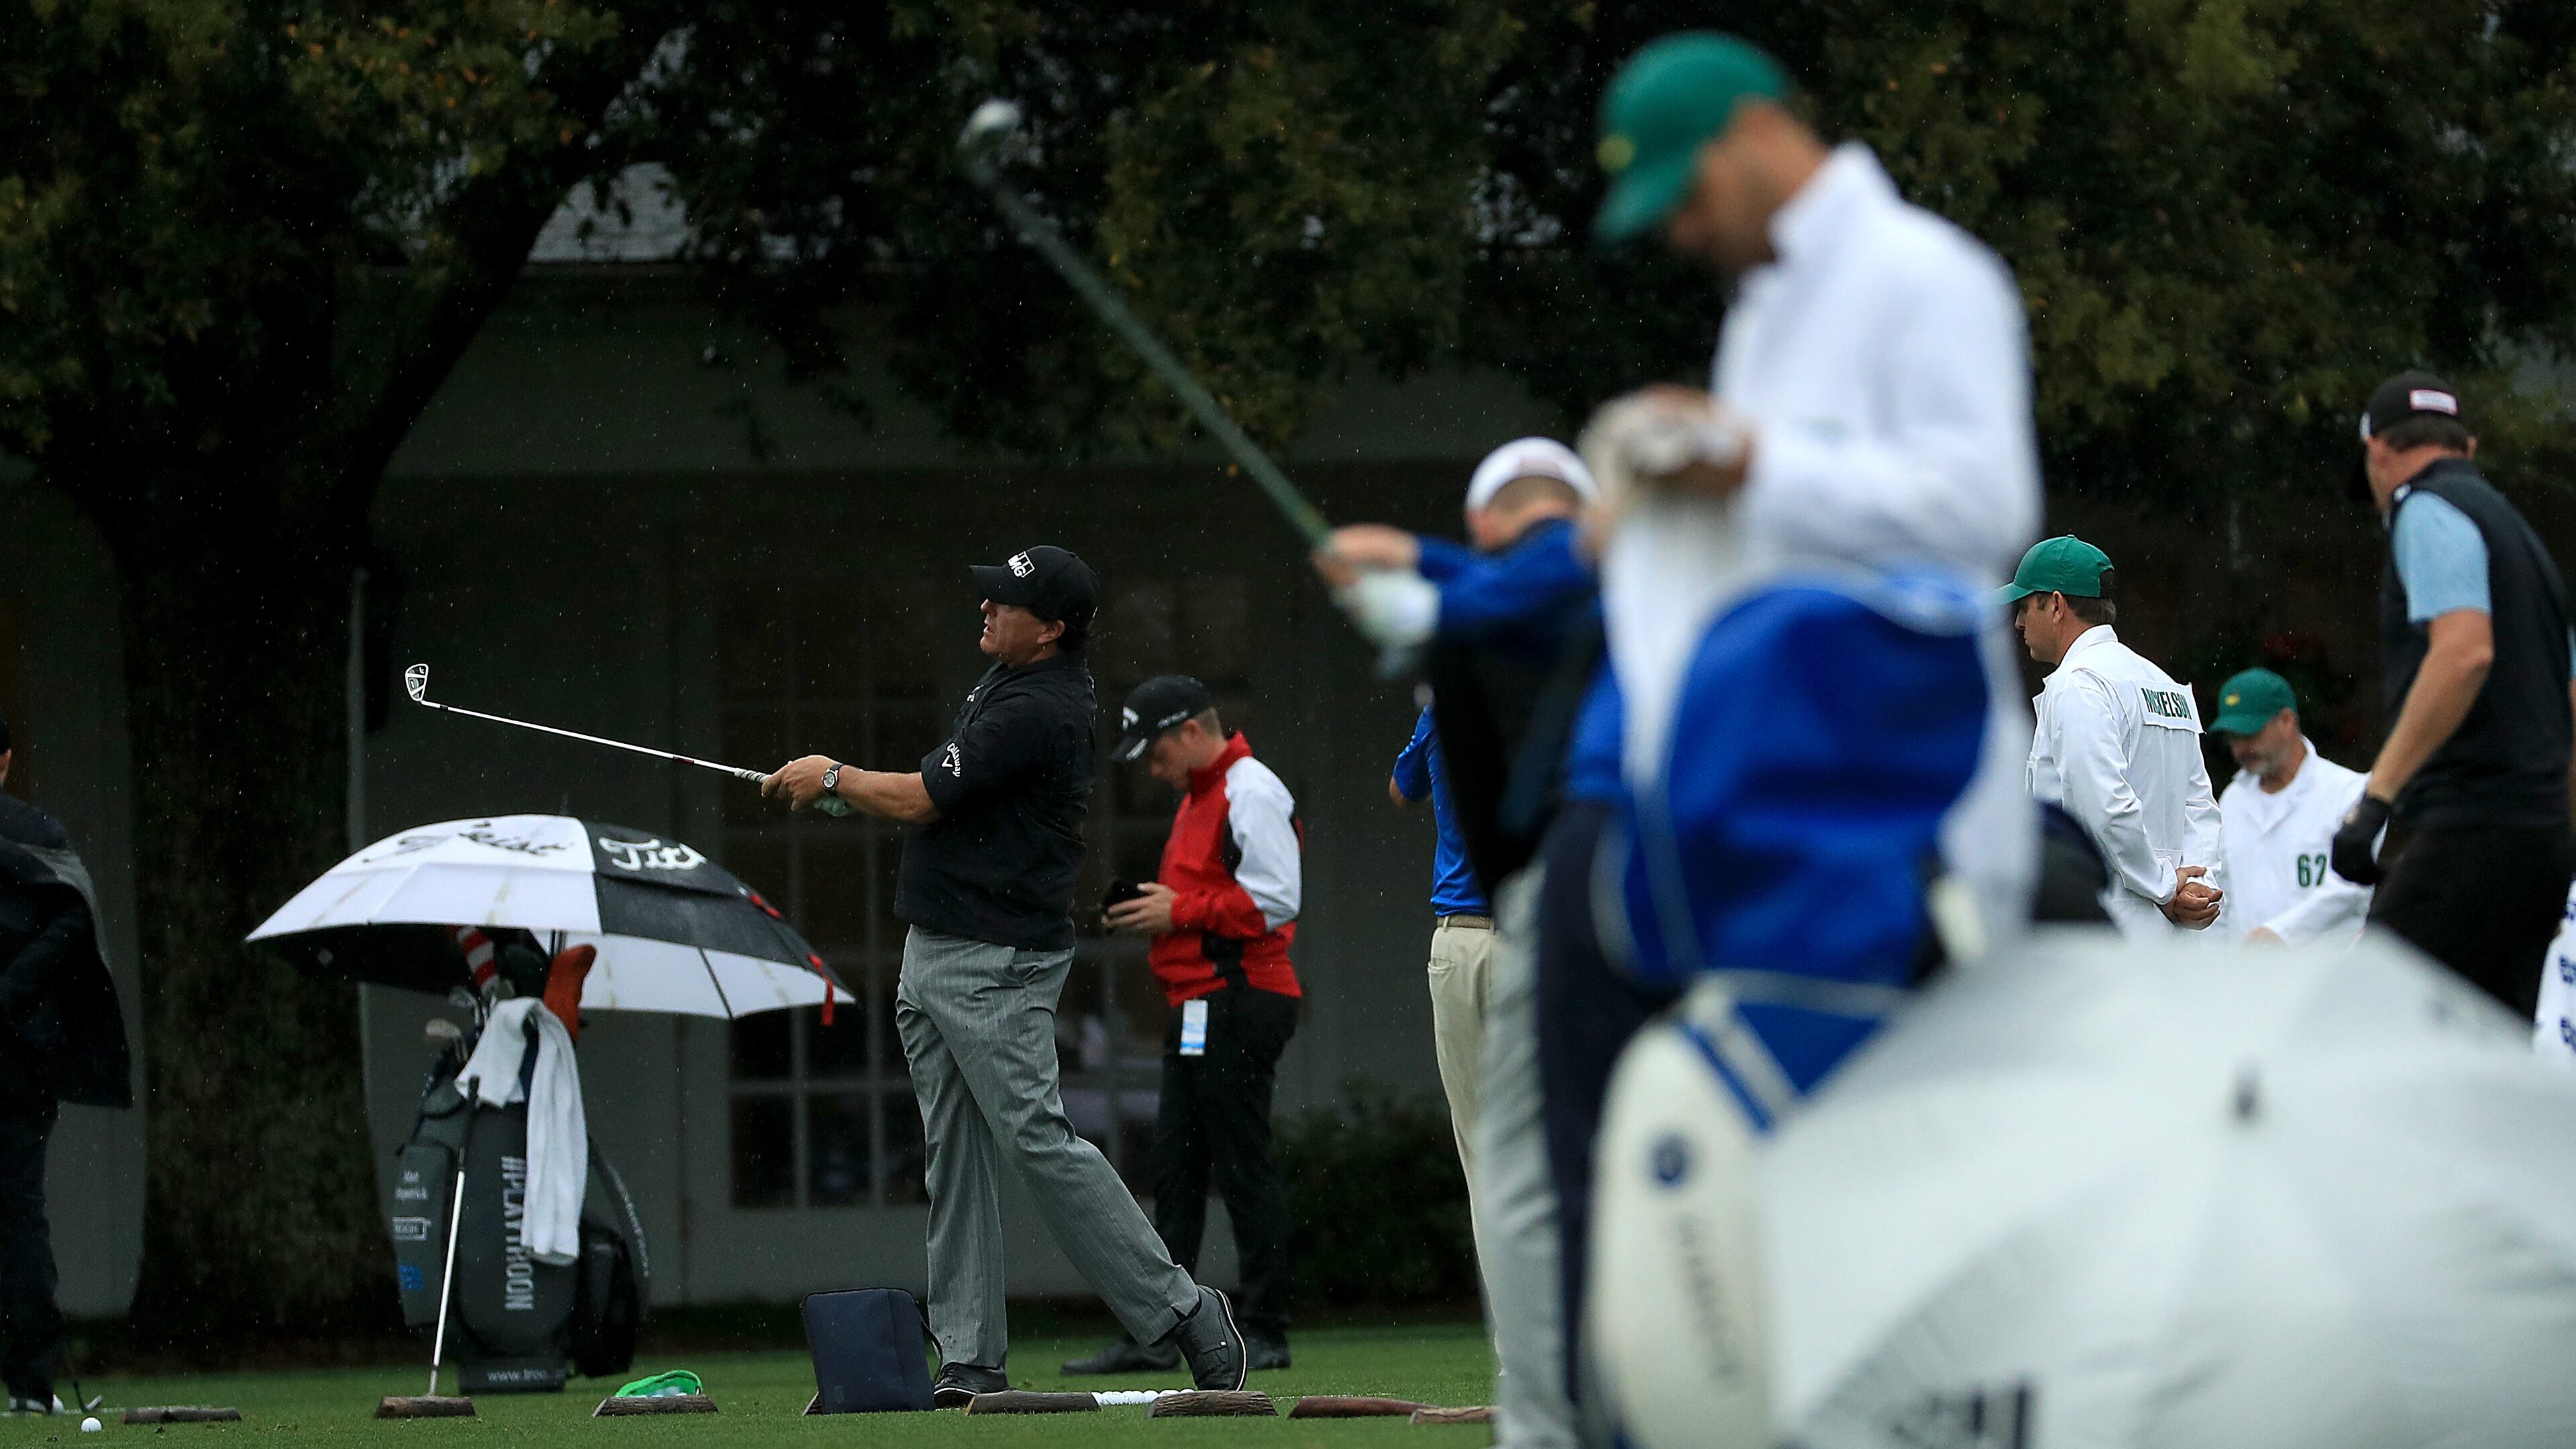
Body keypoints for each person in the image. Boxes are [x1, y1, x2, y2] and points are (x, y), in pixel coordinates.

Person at [1577, 32, 2043, 1446]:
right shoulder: (1764, 308)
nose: (1677, 229)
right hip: (1779, 822)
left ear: (1750, 134)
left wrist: (1752, 460)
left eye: (1681, 193)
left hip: (1918, 830)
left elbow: (1987, 511)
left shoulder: (1927, 276)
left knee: (1927, 1209)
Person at [763, 547, 1246, 1404]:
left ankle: (1186, 1312)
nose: (986, 607)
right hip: (935, 950)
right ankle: (970, 1355)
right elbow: (946, 804)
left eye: (1007, 601)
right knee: (954, 1155)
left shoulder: (1044, 705)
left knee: (1035, 1139)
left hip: (994, 961)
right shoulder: (1007, 683)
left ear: (1053, 628)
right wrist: (841, 793)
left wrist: (834, 775)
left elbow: (920, 800)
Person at [1321, 437, 1603, 1449]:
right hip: (1567, 930)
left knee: (1497, 1168)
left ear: (1487, 526)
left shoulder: (1464, 661)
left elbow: (1401, 789)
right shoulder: (1589, 627)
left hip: (1470, 942)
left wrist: (1412, 583)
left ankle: (1532, 1364)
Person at [1064, 676, 1302, 1376]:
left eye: (1157, 751)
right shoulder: (1200, 797)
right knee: (1177, 1167)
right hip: (1198, 1007)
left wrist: (1182, 911)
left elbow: (1278, 902)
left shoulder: (1251, 789)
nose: (1151, 766)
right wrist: (1160, 909)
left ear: (1192, 732)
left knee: (1240, 1163)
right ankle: (1163, 1331)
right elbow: (1213, 894)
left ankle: (1265, 1331)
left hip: (1239, 997)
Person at [2332, 372, 2576, 1016]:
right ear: (2466, 448)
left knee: (2364, 1021)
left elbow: (2464, 653)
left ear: (2378, 451)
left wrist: (2374, 800)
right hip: (2540, 836)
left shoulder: (2425, 507)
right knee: (2484, 1062)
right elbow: (2568, 697)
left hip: (2472, 829)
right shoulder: (2523, 542)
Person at [0, 713, 131, 1416]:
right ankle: (29, 1383)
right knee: (19, 1214)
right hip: (18, 1055)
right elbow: (73, 923)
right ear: (7, 760)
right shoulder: (36, 833)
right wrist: (13, 990)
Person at [2005, 535, 2224, 938]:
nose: (2018, 623)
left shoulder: (2078, 685)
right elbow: (2199, 803)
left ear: (2056, 605)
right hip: (2167, 933)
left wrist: (2164, 887)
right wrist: (2197, 881)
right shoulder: (2163, 684)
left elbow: (2106, 807)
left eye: (2024, 607)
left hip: (2102, 923)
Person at [2208, 667, 2372, 947]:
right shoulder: (2232, 800)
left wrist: (2281, 933)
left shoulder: (2348, 791)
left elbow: (2353, 885)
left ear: (2286, 721)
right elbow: (2222, 893)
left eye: (2251, 733)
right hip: (2247, 979)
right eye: (2234, 737)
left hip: (2329, 975)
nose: (2241, 747)